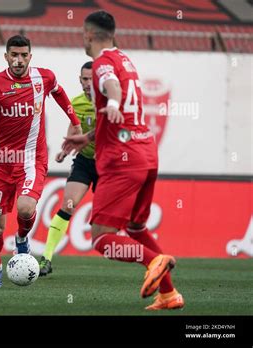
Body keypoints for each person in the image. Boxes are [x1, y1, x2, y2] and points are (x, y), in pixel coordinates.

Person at [63, 11, 184, 310]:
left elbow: (112, 88)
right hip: (146, 153)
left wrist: (113, 102)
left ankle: (154, 260)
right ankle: (169, 294)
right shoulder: (126, 60)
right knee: (136, 227)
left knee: (102, 238)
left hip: (122, 159)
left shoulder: (103, 64)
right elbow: (120, 107)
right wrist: (89, 137)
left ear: (88, 34)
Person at [0, 35, 82, 288]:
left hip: (32, 159)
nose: (19, 60)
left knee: (26, 209)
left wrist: (74, 121)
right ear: (6, 57)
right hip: (1, 164)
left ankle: (21, 238)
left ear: (30, 56)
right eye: (14, 55)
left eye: (23, 55)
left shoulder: (44, 77)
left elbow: (59, 93)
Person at [39, 61, 98, 276]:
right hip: (84, 162)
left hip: (109, 166)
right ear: (80, 80)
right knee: (68, 205)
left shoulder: (111, 104)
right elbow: (74, 131)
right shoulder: (77, 103)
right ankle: (46, 258)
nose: (88, 83)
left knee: (108, 220)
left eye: (92, 79)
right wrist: (65, 151)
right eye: (84, 79)